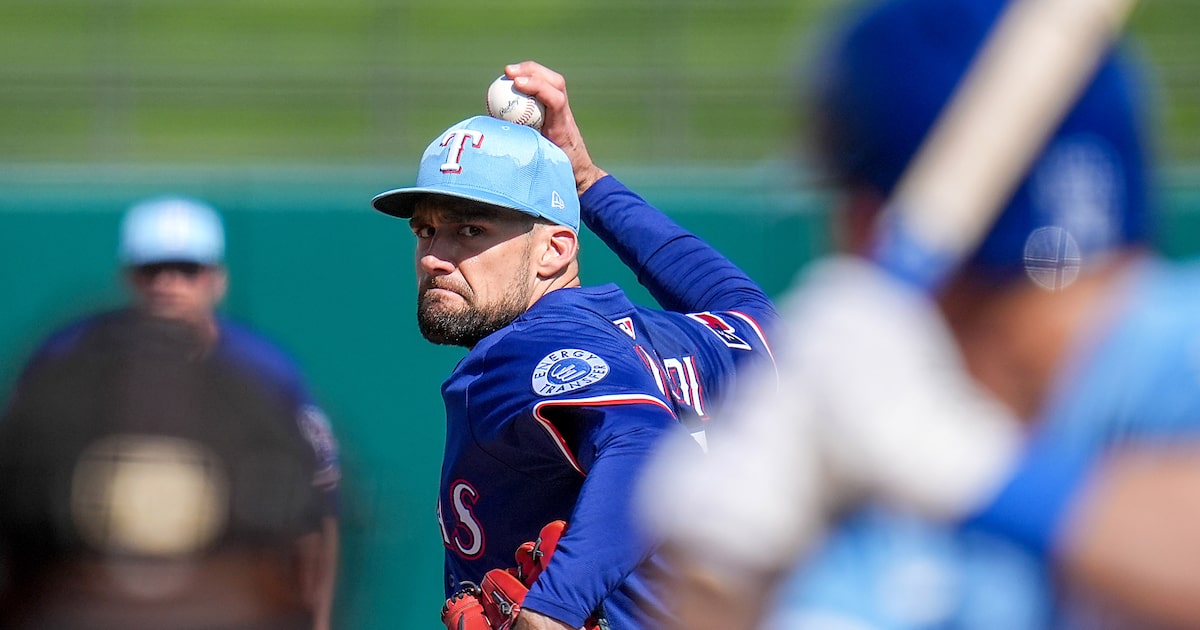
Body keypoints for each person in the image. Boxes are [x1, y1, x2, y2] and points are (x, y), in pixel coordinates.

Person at [638, 0, 1200, 628]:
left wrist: (973, 472)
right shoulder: (882, 452)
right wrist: (724, 574)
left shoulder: (922, 442)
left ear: (864, 220)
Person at [369, 62, 777, 630]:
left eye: (470, 230)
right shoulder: (676, 341)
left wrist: (552, 609)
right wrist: (587, 179)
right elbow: (751, 313)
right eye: (425, 230)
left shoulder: (527, 348)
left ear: (555, 251)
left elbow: (649, 446)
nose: (435, 255)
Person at [0, 196, 341, 630]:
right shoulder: (67, 363)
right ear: (128, 277)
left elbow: (318, 517)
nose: (168, 283)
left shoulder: (265, 374)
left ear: (217, 279)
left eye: (187, 269)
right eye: (152, 269)